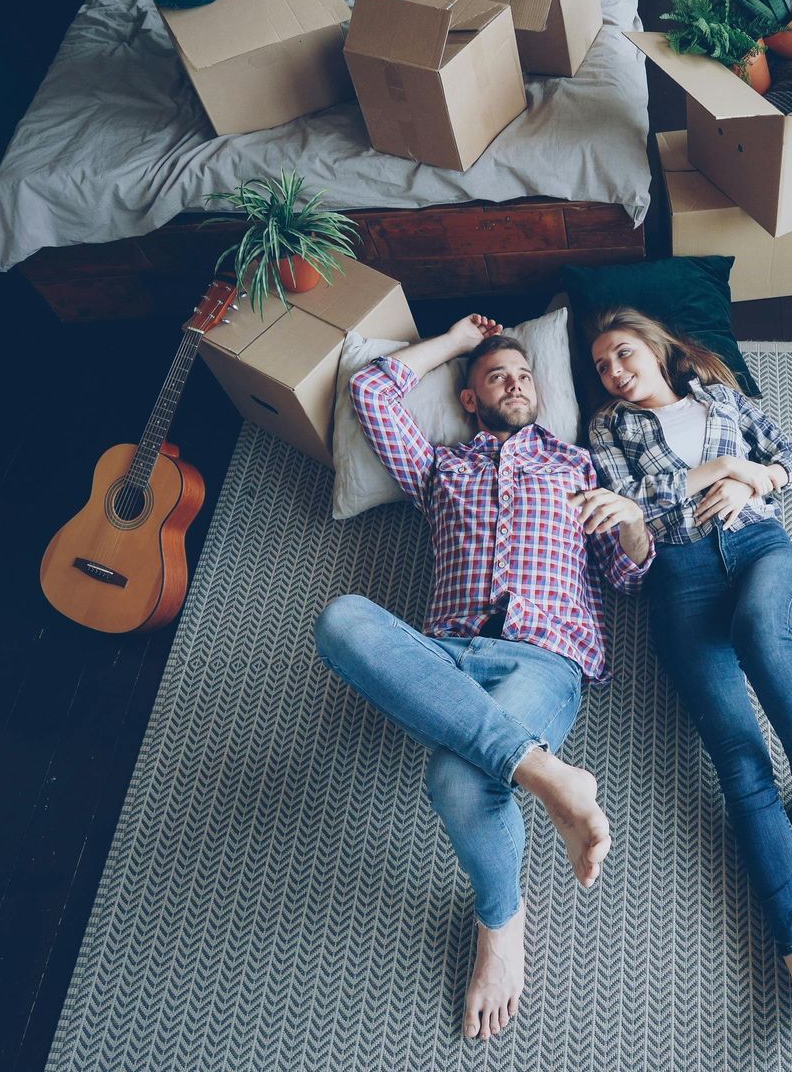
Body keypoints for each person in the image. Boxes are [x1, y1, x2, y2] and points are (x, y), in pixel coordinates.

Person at [314, 314, 653, 1042]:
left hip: (544, 659)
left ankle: (500, 924)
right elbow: (371, 393)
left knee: (456, 778)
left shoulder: (577, 467)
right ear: (470, 399)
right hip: (444, 652)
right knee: (341, 619)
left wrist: (632, 521)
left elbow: (627, 577)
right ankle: (548, 774)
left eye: (525, 375)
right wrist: (458, 343)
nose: (517, 385)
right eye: (498, 378)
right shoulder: (439, 469)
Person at [585, 307, 792, 1072]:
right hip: (681, 582)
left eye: (623, 354)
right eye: (601, 366)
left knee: (761, 631)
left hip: (760, 546)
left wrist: (759, 476)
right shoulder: (607, 429)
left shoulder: (722, 399)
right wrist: (721, 471)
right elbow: (635, 508)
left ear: (656, 347)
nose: (614, 372)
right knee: (737, 765)